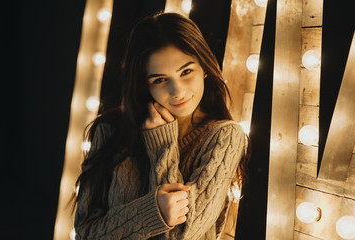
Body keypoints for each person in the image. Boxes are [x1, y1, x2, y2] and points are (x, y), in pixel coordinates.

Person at [73, 12, 249, 240]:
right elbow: (85, 232)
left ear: (204, 67)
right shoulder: (110, 129)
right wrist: (154, 212)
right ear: (144, 84)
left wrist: (162, 146)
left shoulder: (225, 137)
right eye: (159, 80)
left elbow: (179, 235)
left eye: (186, 72)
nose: (177, 91)